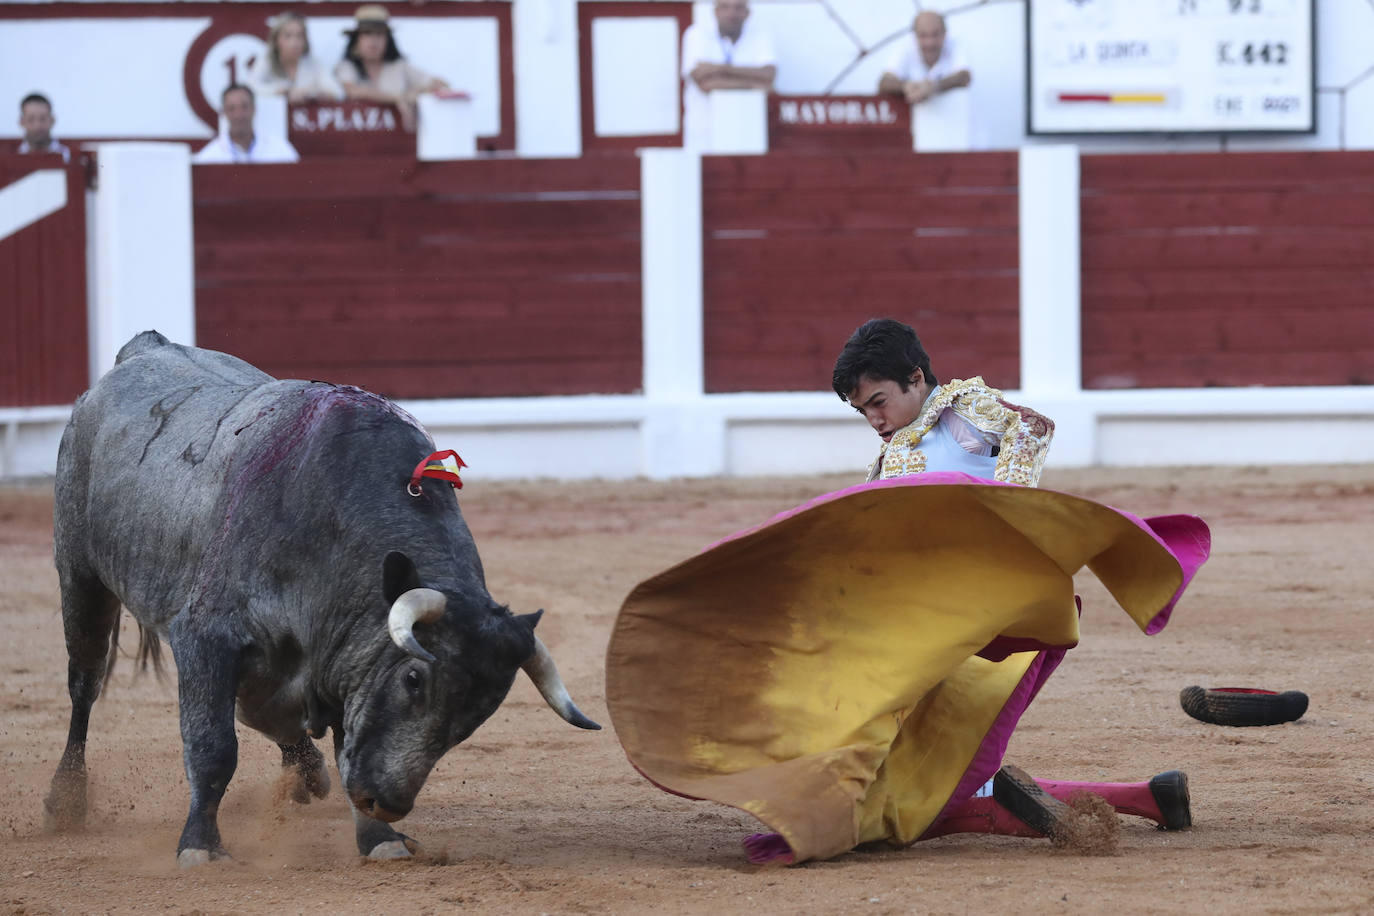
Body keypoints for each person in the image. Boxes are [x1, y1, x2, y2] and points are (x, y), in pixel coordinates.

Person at [604, 318, 1210, 866]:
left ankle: (1127, 800)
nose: (874, 419)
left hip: (995, 611)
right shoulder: (889, 463)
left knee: (935, 777)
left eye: (879, 401)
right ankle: (1146, 798)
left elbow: (1033, 428)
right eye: (862, 410)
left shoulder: (960, 411)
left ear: (916, 378)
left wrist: (1011, 508)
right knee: (924, 762)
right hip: (926, 626)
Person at [333, 4, 449, 132]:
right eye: (367, 34)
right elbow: (352, 90)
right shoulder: (346, 66)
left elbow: (441, 84)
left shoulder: (399, 66)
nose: (373, 41)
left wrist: (413, 94)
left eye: (379, 34)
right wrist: (397, 98)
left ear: (388, 40)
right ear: (356, 40)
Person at [680, 0, 777, 150]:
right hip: (704, 133)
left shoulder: (759, 36)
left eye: (738, 8)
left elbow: (769, 75)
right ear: (715, 11)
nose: (732, 14)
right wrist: (753, 84)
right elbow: (704, 84)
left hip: (748, 132)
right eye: (725, 7)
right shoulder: (697, 34)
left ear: (747, 13)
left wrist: (717, 70)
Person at [878, 11, 971, 107]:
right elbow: (884, 82)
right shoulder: (905, 47)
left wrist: (933, 87)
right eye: (923, 35)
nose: (929, 42)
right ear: (915, 35)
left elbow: (965, 77)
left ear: (944, 34)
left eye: (935, 34)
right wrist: (906, 87)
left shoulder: (955, 44)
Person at [247, 11, 344, 103]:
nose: (294, 43)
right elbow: (250, 88)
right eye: (288, 36)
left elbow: (338, 92)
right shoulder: (267, 60)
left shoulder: (312, 63)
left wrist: (312, 94)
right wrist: (283, 92)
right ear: (276, 40)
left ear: (305, 40)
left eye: (299, 36)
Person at [193, 84, 300, 164]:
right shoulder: (209, 157)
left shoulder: (280, 150)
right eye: (231, 108)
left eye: (244, 107)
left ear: (254, 108)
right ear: (224, 113)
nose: (238, 115)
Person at [17, 93, 71, 163]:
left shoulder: (68, 156)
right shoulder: (11, 158)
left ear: (52, 120)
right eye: (31, 119)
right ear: (22, 122)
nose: (37, 125)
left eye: (43, 119)